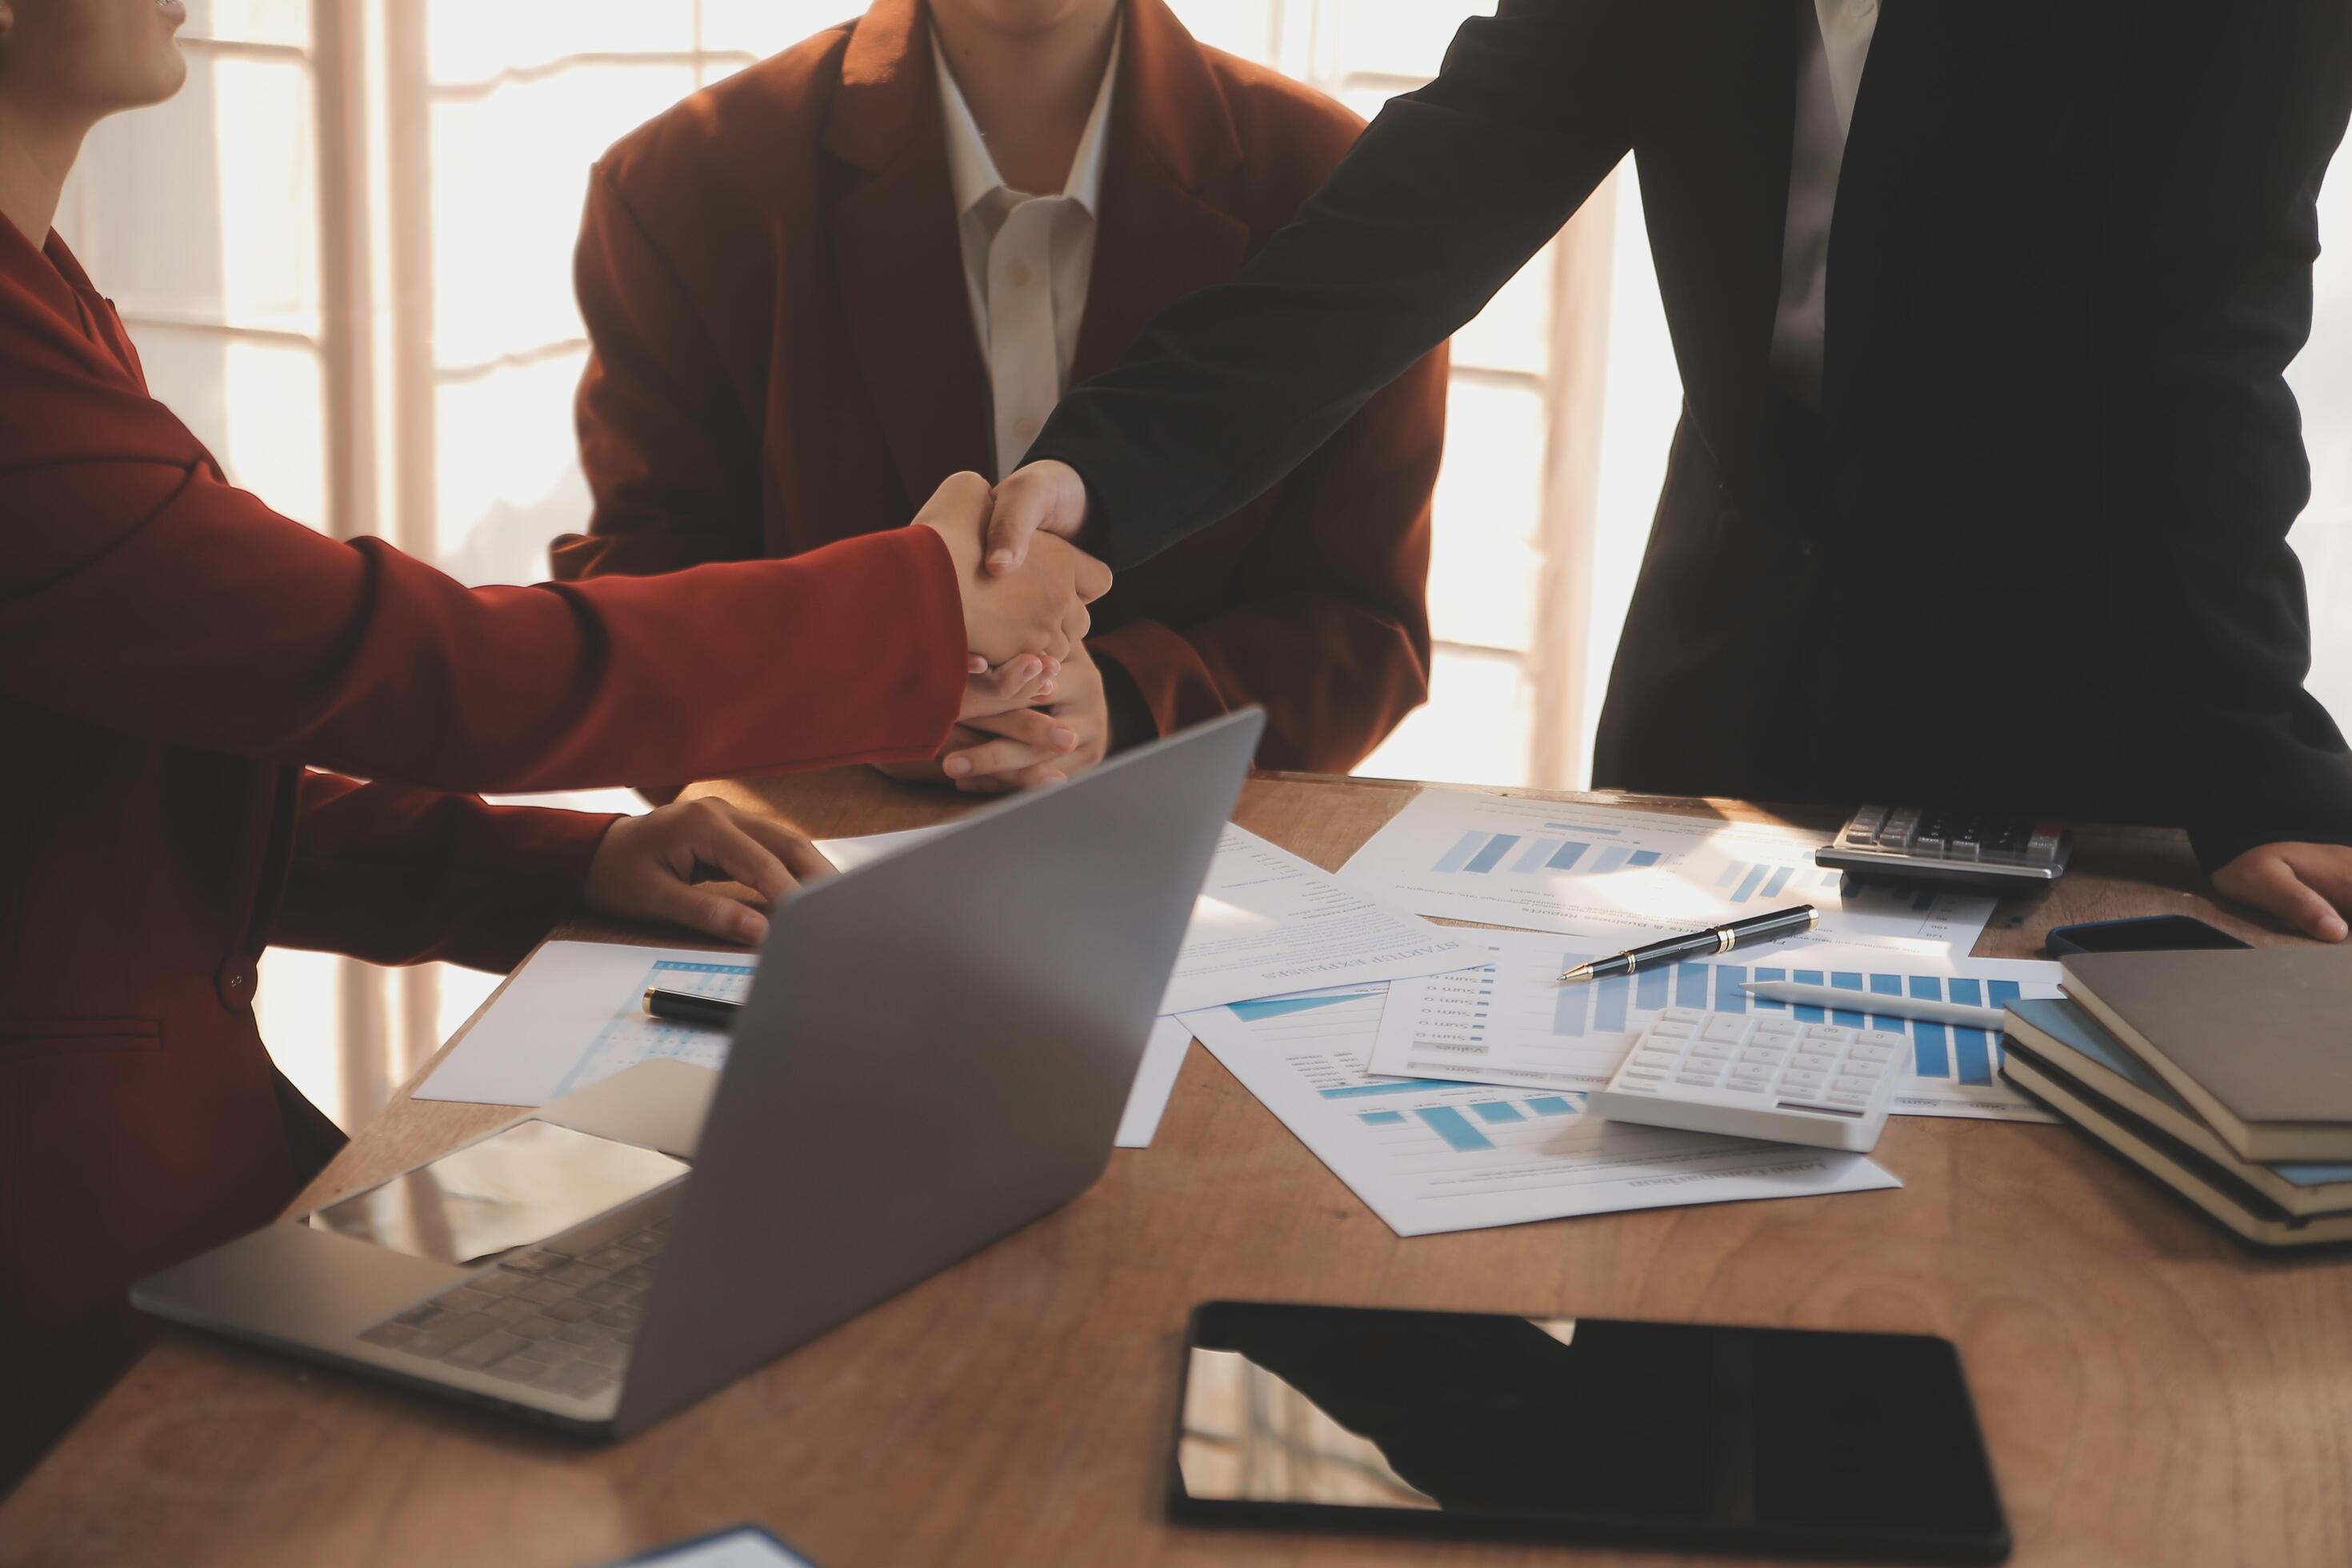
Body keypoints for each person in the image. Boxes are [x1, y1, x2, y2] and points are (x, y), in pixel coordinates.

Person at [0, 0, 1107, 1483]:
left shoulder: (42, 292)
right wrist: (916, 607)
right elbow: (417, 668)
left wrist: (563, 867)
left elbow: (107, 777)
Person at [985, 1, 2352, 939]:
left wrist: (2255, 777)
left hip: (2054, 715)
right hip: (1725, 673)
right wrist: (1094, 478)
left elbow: (2198, 371)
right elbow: (1416, 216)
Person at [550, 0, 1443, 793]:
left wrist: (1130, 704)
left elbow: (1365, 629)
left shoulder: (1335, 185)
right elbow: (645, 603)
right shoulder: (682, 187)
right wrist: (851, 691)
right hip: (813, 866)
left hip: (1209, 880)